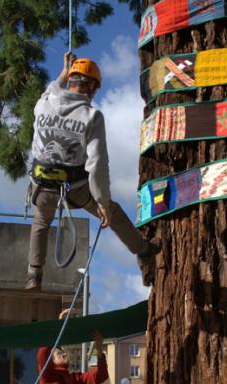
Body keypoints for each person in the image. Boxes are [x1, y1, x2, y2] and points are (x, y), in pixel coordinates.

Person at [25, 52, 157, 291]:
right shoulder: (91, 116)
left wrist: (65, 70)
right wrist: (102, 202)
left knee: (41, 222)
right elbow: (96, 164)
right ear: (93, 88)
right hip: (74, 188)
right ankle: (145, 251)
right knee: (112, 213)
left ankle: (34, 274)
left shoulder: (43, 103)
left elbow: (54, 86)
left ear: (72, 80)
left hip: (42, 184)